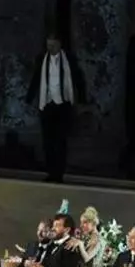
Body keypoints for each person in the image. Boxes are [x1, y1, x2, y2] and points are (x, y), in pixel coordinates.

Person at [25, 32, 85, 183]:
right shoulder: (42, 59)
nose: (50, 48)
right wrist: (29, 98)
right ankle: (51, 171)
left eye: (52, 45)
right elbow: (36, 78)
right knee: (48, 141)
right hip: (47, 104)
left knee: (60, 140)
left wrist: (82, 98)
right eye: (48, 45)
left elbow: (78, 77)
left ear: (59, 44)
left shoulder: (69, 59)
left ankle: (59, 172)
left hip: (63, 105)